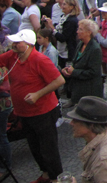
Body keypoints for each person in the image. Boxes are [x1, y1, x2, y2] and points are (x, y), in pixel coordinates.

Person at [0, 29, 65, 182]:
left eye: (18, 42)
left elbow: (59, 80)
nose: (13, 45)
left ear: (29, 44)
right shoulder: (13, 56)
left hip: (43, 112)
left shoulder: (40, 60)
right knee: (34, 147)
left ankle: (56, 178)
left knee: (48, 149)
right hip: (24, 112)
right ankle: (46, 174)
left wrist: (38, 94)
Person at [61, 19, 103, 105]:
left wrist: (74, 72)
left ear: (89, 32)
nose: (77, 32)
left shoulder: (95, 49)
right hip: (79, 87)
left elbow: (93, 72)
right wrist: (69, 69)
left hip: (89, 90)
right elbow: (76, 62)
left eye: (80, 29)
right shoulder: (81, 44)